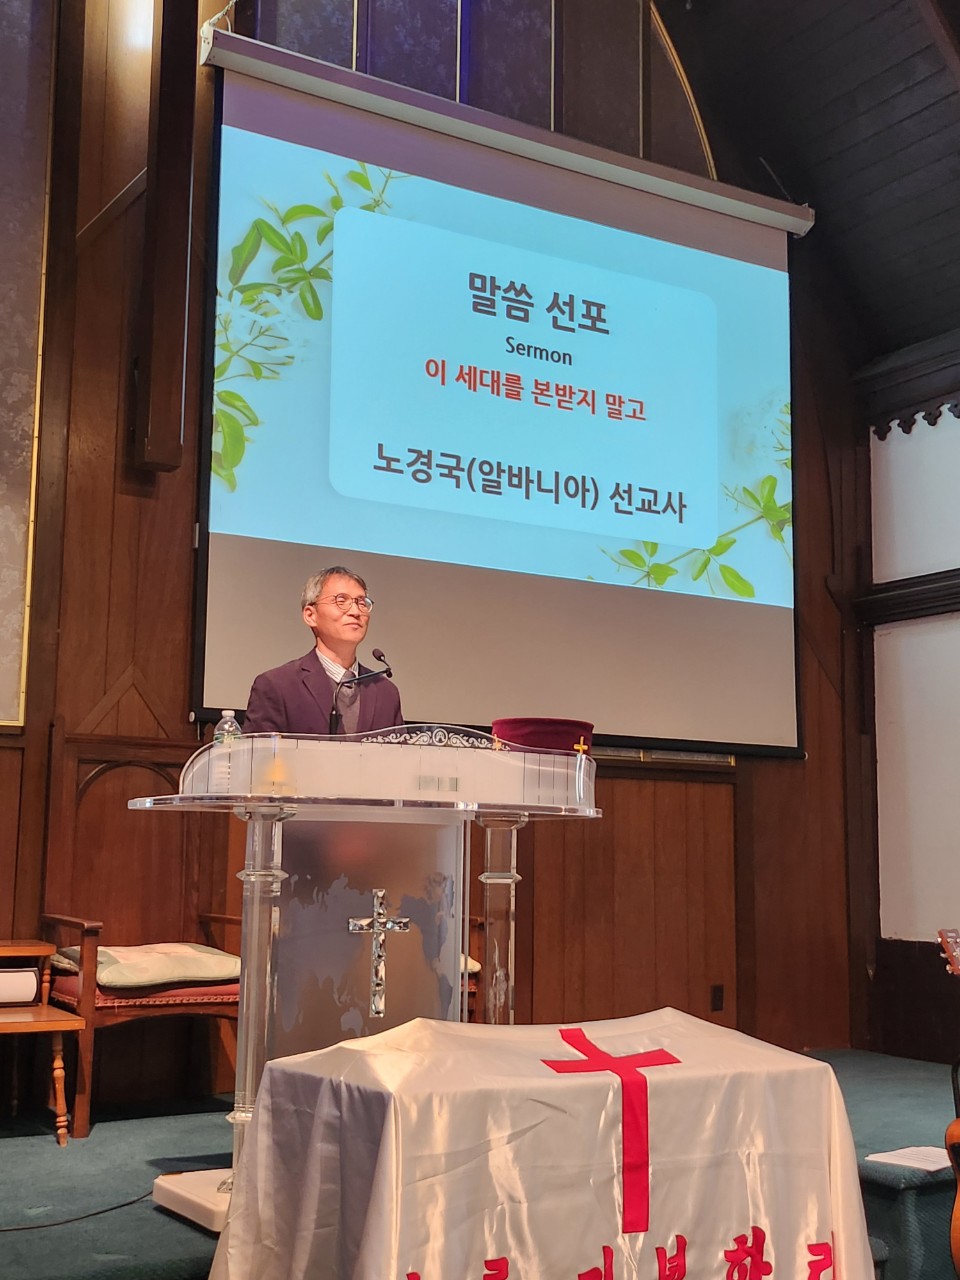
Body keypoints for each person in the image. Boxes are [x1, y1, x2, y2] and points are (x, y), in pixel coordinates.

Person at [242, 566, 403, 735]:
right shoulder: (277, 686)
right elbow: (261, 751)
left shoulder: (386, 692)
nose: (356, 612)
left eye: (362, 603)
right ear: (310, 615)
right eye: (341, 601)